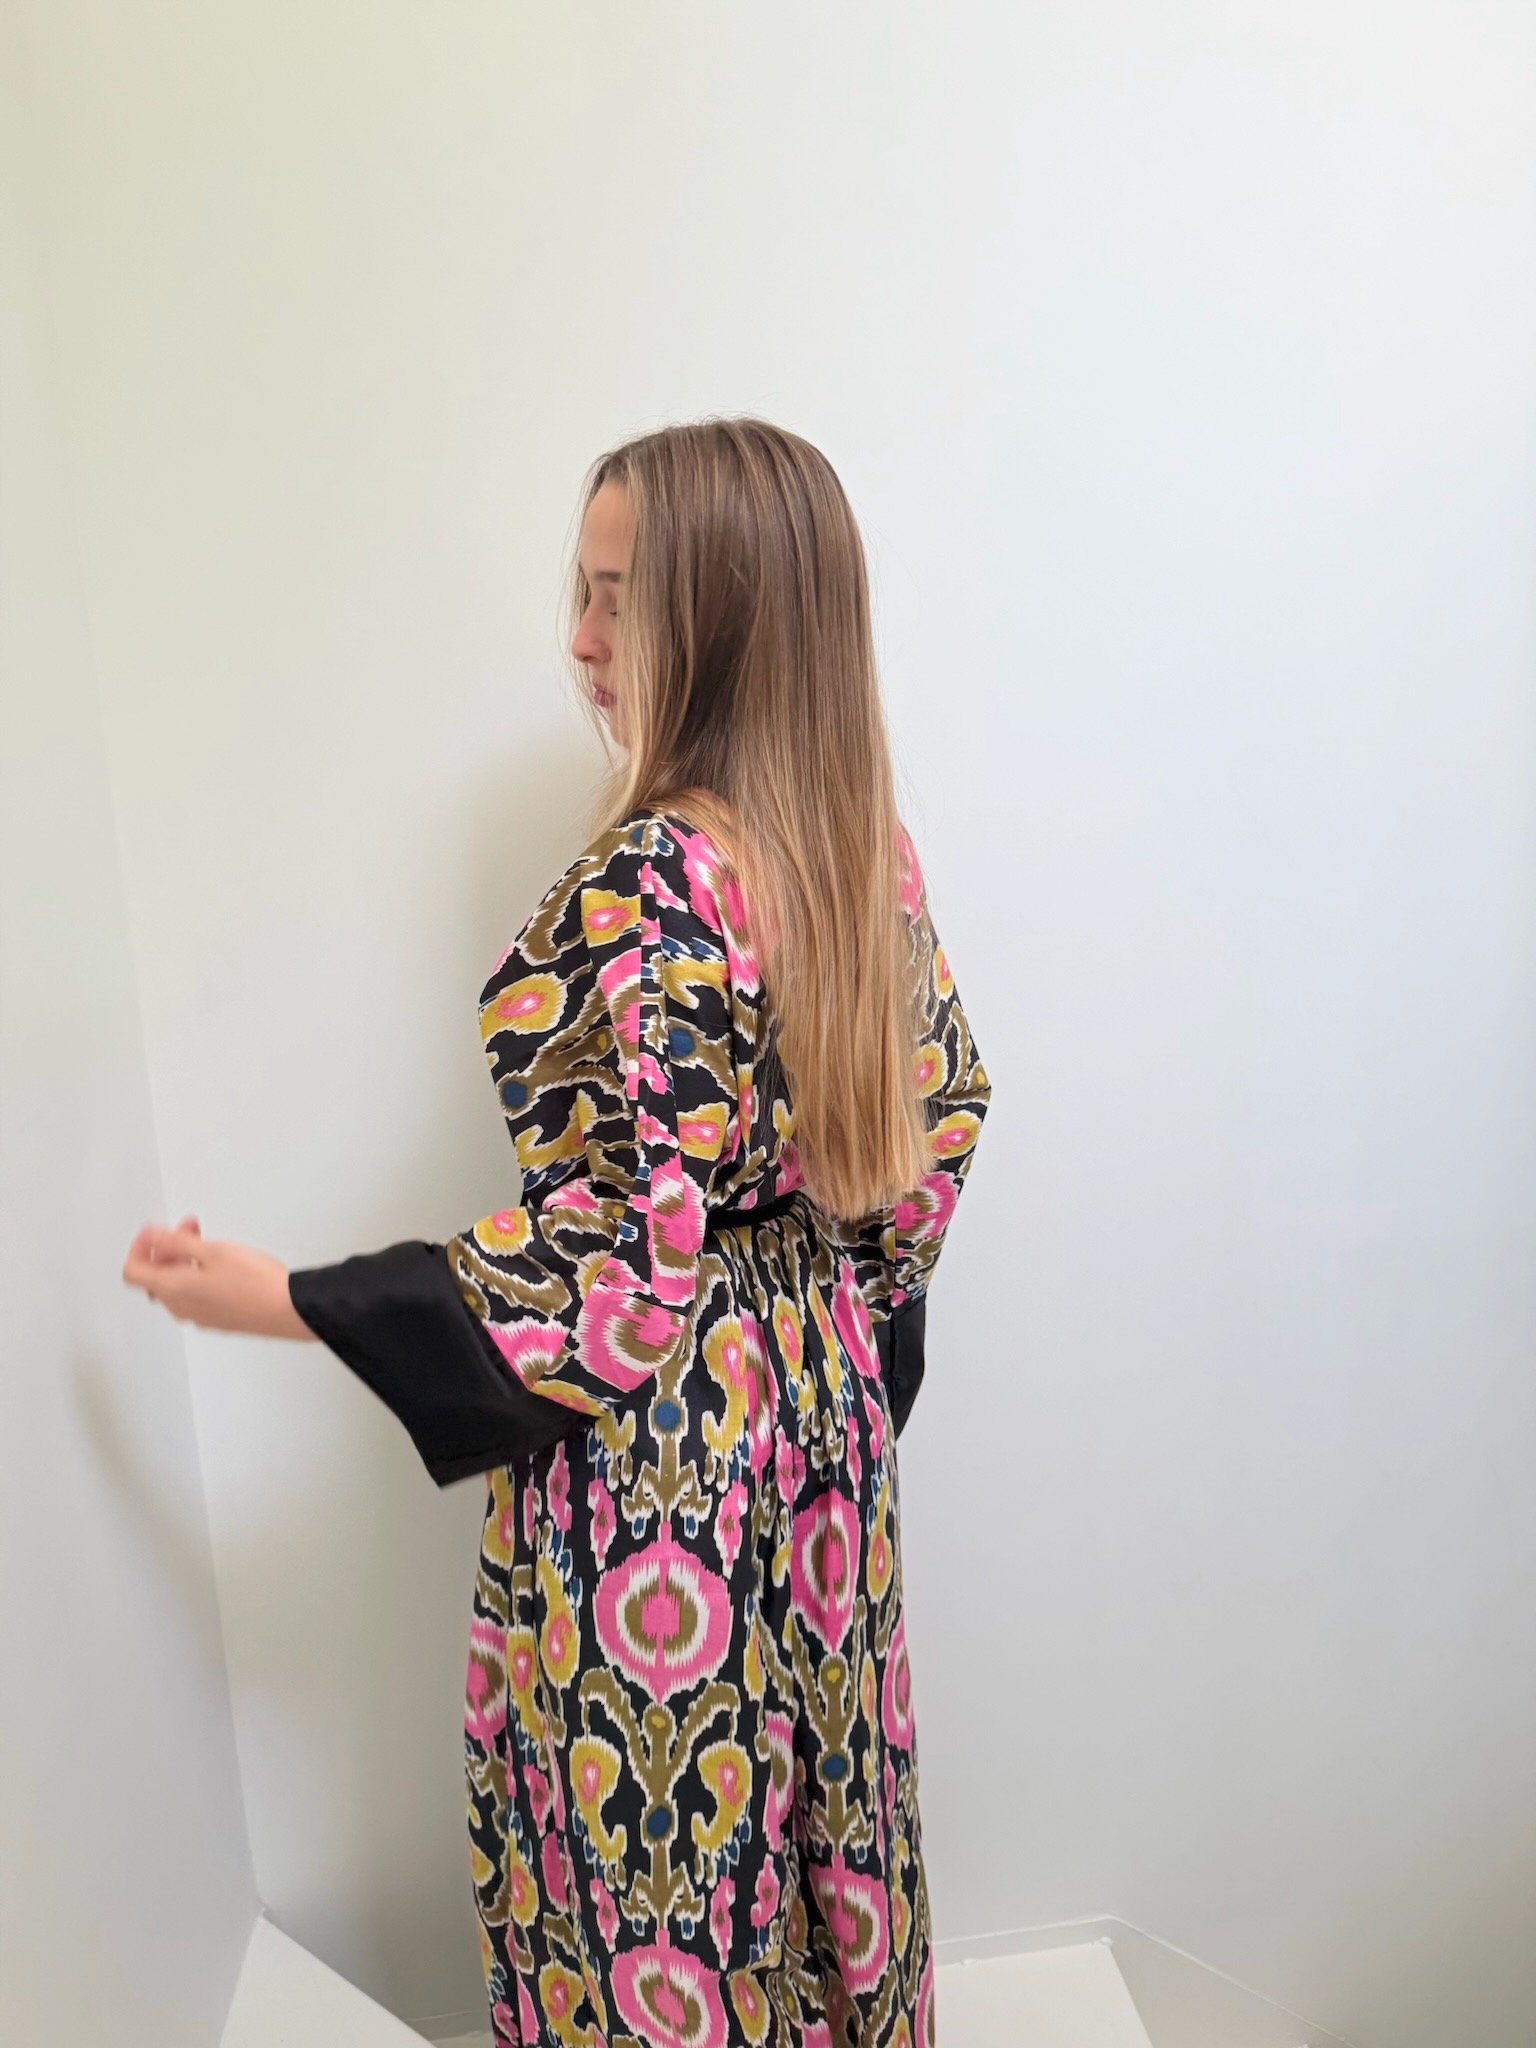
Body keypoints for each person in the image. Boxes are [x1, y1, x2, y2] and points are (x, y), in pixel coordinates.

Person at [123, 416, 991, 2048]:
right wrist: (834, 1370)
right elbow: (938, 1129)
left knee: (656, 1866)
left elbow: (623, 1269)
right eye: (579, 592)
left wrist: (293, 1298)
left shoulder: (653, 876)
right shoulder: (862, 847)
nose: (579, 640)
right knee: (820, 1828)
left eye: (617, 597)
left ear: (724, 615)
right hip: (819, 1440)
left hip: (660, 1460)